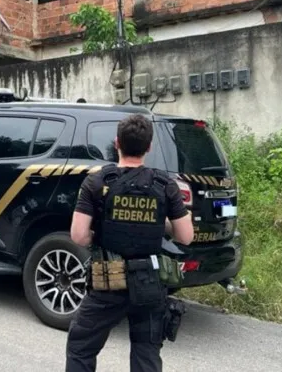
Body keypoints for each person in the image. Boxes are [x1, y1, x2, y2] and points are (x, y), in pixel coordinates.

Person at [65, 114, 194, 372]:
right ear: (149, 147)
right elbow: (185, 236)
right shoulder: (165, 184)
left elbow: (78, 236)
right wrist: (160, 223)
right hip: (149, 283)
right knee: (146, 354)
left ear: (117, 143)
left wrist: (98, 234)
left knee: (81, 348)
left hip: (107, 283)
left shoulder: (96, 181)